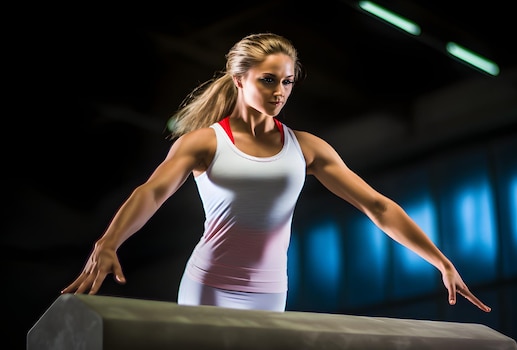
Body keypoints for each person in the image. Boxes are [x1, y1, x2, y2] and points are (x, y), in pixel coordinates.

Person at [61, 32, 492, 313]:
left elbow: (377, 206)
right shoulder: (205, 142)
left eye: (287, 82)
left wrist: (440, 260)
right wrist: (109, 241)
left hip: (271, 291)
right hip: (208, 284)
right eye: (268, 81)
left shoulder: (306, 147)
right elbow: (152, 192)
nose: (279, 92)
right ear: (239, 79)